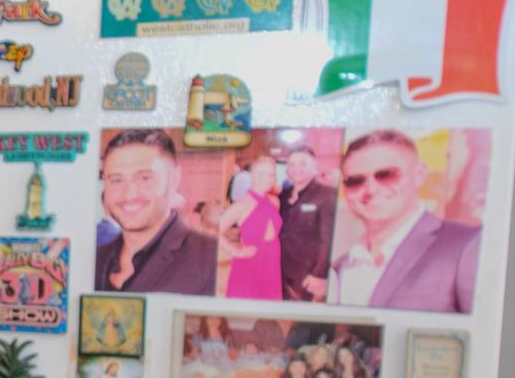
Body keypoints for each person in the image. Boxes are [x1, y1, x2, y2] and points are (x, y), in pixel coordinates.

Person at [329, 129, 481, 313]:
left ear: (419, 175)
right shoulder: (340, 267)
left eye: (386, 175)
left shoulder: (466, 245)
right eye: (355, 181)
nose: (370, 190)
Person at [94, 129, 218, 294]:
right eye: (117, 180)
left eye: (145, 178)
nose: (129, 194)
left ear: (174, 180)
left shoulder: (209, 258)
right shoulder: (96, 258)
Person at [219, 153, 284, 300]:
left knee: (268, 308)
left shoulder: (275, 201)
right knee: (245, 309)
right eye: (261, 173)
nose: (267, 178)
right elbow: (214, 231)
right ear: (252, 176)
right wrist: (235, 251)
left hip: (272, 260)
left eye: (271, 174)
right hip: (250, 261)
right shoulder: (242, 205)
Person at [277, 144, 337, 302]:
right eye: (292, 164)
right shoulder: (283, 195)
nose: (296, 169)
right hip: (280, 269)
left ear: (314, 167)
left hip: (307, 275)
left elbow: (328, 240)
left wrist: (319, 275)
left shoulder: (327, 195)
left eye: (302, 163)